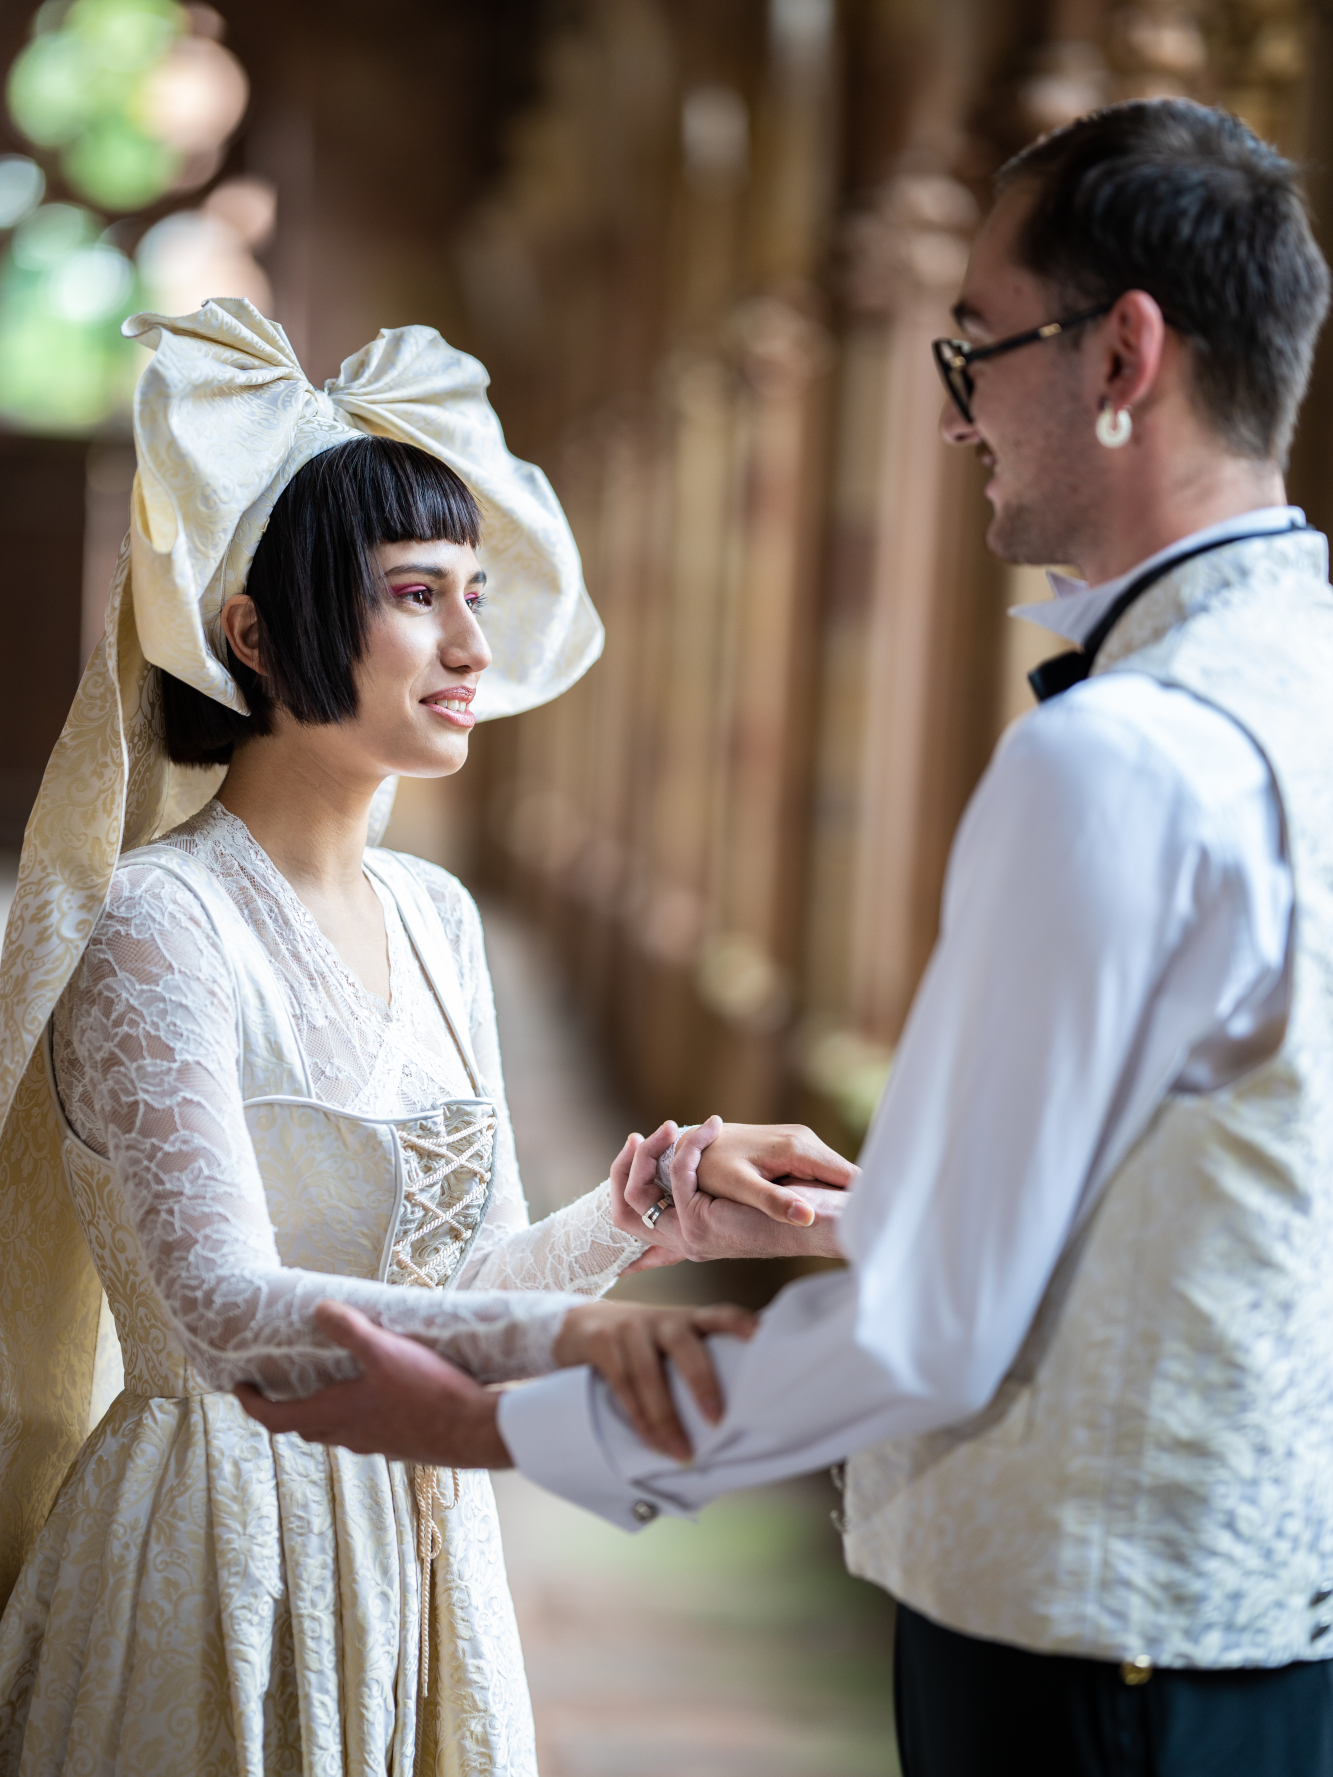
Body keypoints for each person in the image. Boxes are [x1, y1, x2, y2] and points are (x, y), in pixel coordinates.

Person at [242, 100, 1333, 1775]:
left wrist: (491, 1424)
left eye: (974, 351)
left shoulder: (1118, 755)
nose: (958, 421)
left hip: (1082, 1655)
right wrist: (902, 1203)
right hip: (1258, 1617)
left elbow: (930, 1332)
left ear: (1122, 357)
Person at [0, 299, 854, 1774]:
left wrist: (643, 1213)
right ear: (251, 629)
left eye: (473, 590)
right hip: (219, 1547)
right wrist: (578, 1341)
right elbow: (224, 1308)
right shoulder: (158, 922)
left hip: (418, 1538)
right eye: (415, 594)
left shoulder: (440, 914)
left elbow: (467, 1277)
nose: (472, 640)